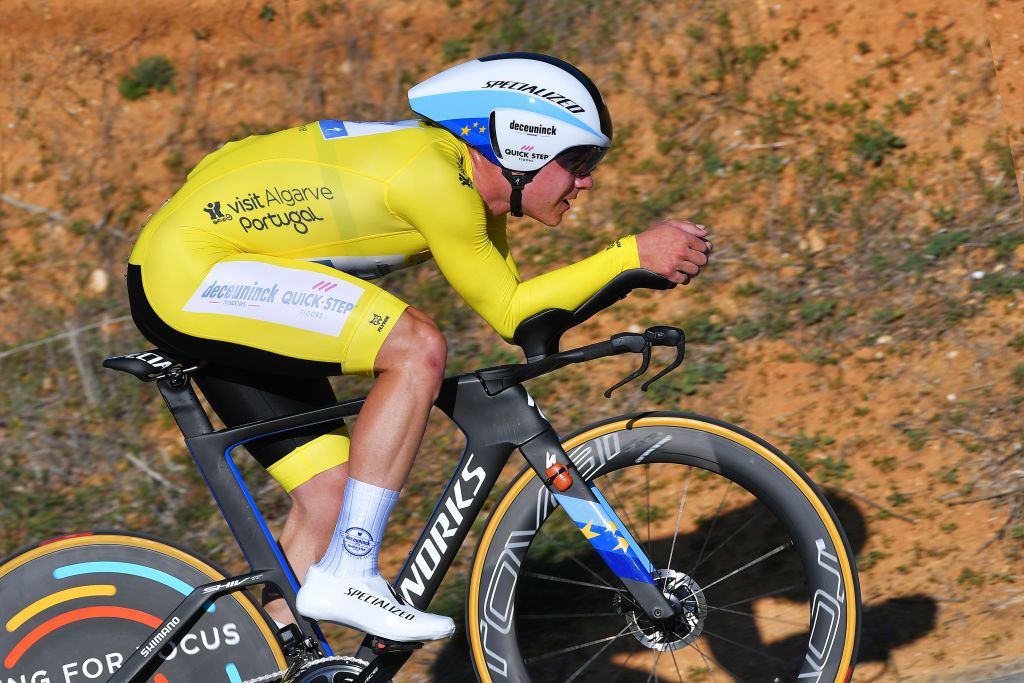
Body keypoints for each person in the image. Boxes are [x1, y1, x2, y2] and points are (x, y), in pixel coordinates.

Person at [125, 52, 712, 643]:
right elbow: (514, 312)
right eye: (577, 161)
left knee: (329, 495)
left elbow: (526, 318)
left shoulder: (464, 182)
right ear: (523, 146)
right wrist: (631, 256)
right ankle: (352, 568)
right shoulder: (436, 178)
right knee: (416, 348)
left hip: (200, 265)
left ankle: (269, 658)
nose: (586, 181)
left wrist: (629, 269)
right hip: (193, 274)